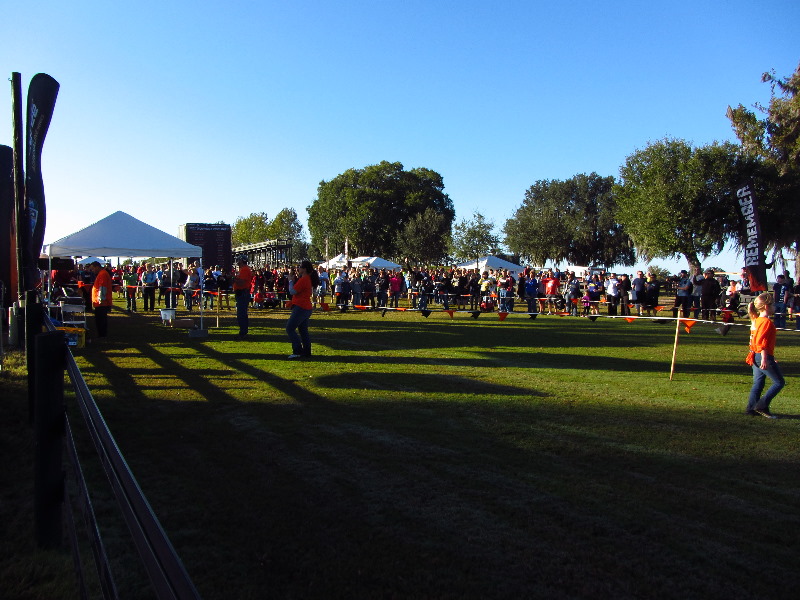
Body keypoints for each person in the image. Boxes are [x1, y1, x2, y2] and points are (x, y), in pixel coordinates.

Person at [744, 292, 785, 418]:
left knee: (758, 383)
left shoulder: (756, 320)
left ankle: (751, 408)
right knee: (779, 382)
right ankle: (761, 406)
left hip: (754, 354)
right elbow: (762, 342)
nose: (774, 307)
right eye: (772, 304)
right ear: (766, 306)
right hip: (760, 355)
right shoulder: (766, 322)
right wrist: (765, 358)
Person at [286, 260, 320, 359]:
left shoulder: (304, 279)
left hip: (301, 307)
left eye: (300, 267)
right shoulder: (306, 279)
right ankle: (306, 352)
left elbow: (292, 291)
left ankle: (297, 351)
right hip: (306, 307)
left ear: (304, 269)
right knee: (303, 330)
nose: (298, 268)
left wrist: (290, 281)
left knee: (290, 328)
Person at [88, 261, 113, 338]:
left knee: (101, 319)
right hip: (99, 302)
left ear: (97, 267)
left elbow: (102, 287)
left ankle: (102, 334)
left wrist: (101, 299)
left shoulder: (102, 274)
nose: (92, 271)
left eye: (93, 269)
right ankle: (102, 334)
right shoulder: (102, 273)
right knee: (100, 319)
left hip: (101, 302)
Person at [233, 258, 253, 339]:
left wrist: (233, 279)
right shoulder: (243, 269)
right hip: (241, 293)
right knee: (242, 313)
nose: (237, 262)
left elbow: (242, 282)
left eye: (239, 260)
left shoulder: (245, 269)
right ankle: (243, 331)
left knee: (241, 314)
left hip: (242, 293)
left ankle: (243, 332)